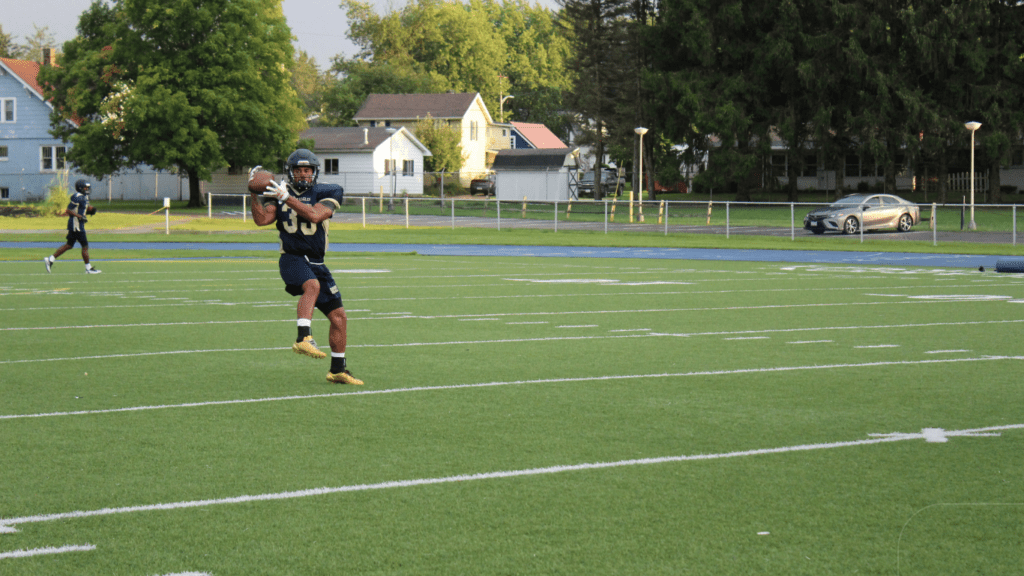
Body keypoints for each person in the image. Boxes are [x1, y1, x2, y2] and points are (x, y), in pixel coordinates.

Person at [248, 149, 363, 385]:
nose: (303, 174)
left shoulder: (328, 191)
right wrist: (253, 193)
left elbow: (314, 215)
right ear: (290, 172)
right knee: (311, 285)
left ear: (314, 172)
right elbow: (262, 220)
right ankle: (303, 337)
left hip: (317, 262)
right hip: (292, 257)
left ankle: (338, 370)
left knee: (339, 317)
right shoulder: (279, 192)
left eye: (307, 170)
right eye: (298, 170)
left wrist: (285, 197)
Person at [44, 179, 101, 274]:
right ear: (80, 188)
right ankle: (88, 268)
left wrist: (90, 210)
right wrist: (80, 217)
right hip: (76, 225)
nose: (87, 189)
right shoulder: (77, 197)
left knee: (69, 245)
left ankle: (50, 259)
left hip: (77, 224)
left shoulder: (85, 196)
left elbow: (82, 208)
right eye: (86, 187)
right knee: (85, 246)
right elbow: (69, 210)